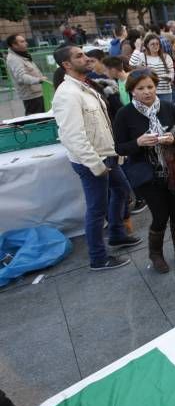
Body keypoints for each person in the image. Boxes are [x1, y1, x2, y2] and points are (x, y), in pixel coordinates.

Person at [52, 46, 141, 270]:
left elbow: (101, 125)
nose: (86, 57)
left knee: (122, 191)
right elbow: (72, 136)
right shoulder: (67, 93)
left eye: (84, 53)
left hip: (107, 155)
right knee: (96, 209)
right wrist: (95, 164)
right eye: (79, 56)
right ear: (67, 65)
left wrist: (114, 154)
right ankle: (98, 258)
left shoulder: (84, 85)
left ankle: (117, 235)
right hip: (94, 160)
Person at [112, 69, 175, 273]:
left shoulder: (169, 107)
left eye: (150, 87)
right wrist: (138, 142)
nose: (147, 92)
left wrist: (174, 138)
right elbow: (119, 147)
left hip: (173, 169)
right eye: (140, 88)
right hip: (146, 173)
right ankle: (156, 255)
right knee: (160, 215)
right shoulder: (124, 114)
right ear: (132, 91)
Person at [5, 34, 47, 114]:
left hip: (36, 93)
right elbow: (21, 77)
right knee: (36, 120)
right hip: (31, 95)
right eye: (22, 41)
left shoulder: (20, 55)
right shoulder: (14, 59)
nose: (26, 43)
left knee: (41, 119)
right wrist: (38, 80)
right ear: (14, 45)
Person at [129, 32, 175, 103]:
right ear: (147, 45)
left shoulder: (166, 57)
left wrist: (169, 77)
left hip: (165, 91)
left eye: (157, 44)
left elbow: (171, 72)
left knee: (165, 113)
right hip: (149, 92)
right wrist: (138, 48)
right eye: (152, 44)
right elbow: (132, 63)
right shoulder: (142, 57)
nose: (155, 46)